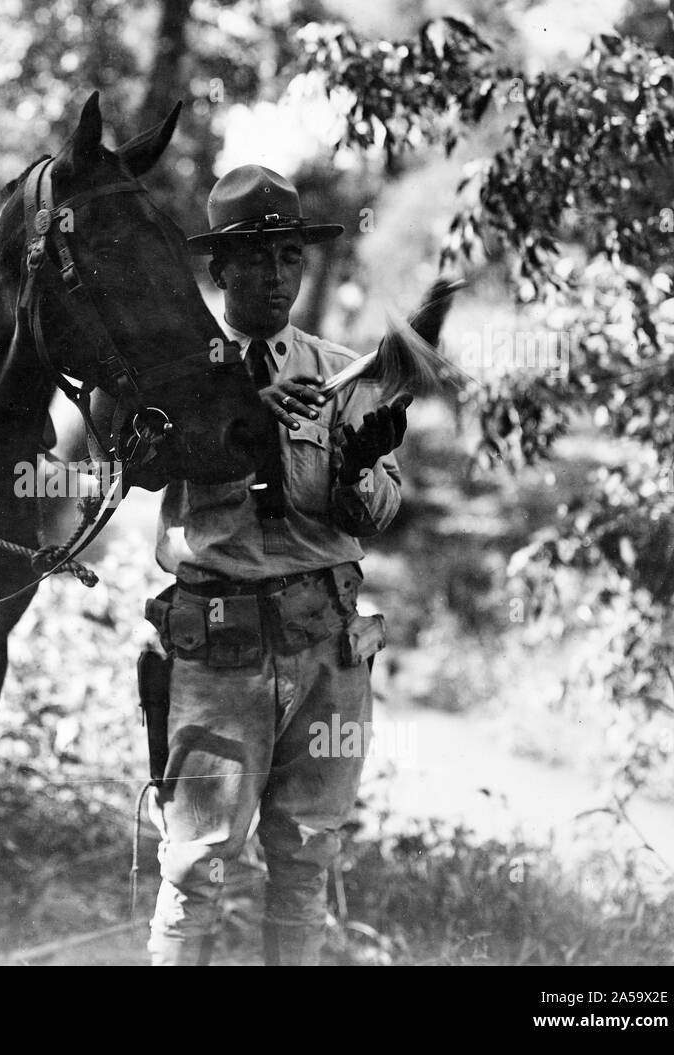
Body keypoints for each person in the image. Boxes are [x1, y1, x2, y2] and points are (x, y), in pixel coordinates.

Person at [144, 164, 410, 966]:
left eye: (288, 257)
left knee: (306, 856)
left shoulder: (343, 372)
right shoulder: (178, 379)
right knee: (196, 863)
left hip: (327, 643)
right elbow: (133, 463)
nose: (273, 275)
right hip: (221, 644)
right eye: (253, 258)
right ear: (218, 269)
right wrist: (230, 418)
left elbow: (383, 512)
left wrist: (359, 465)